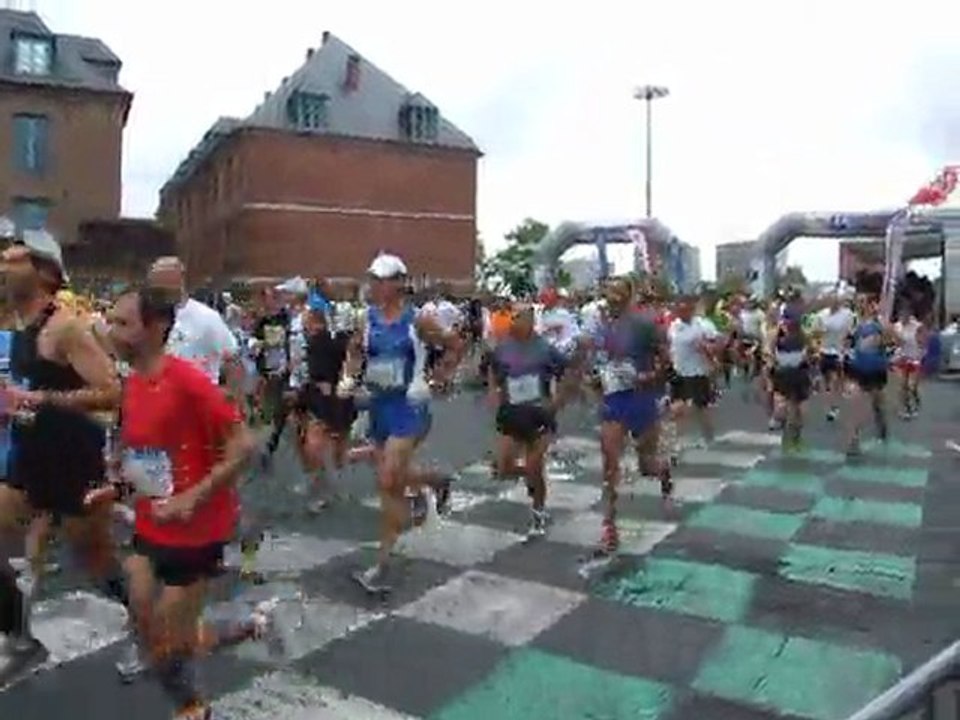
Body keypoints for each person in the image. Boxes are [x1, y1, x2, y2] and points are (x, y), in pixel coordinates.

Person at [104, 286, 258, 720]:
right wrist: (119, 473)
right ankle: (239, 628)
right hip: (151, 521)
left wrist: (194, 496)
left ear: (156, 329)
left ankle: (194, 708)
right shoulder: (133, 380)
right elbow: (149, 446)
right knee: (145, 619)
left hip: (197, 528)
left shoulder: (188, 380)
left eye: (122, 323)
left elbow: (244, 445)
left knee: (166, 644)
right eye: (111, 321)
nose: (109, 330)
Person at [0, 232, 125, 676]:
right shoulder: (19, 330)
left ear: (46, 273)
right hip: (27, 459)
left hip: (73, 463)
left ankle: (149, 615)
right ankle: (21, 640)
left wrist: (43, 401)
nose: (2, 265)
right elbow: (23, 393)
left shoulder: (66, 327)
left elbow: (112, 391)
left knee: (95, 561)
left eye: (13, 260)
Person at [337, 254, 460, 593]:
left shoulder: (418, 320)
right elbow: (355, 352)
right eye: (373, 278)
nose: (375, 285)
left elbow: (454, 345)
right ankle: (436, 480)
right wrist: (349, 377)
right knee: (389, 481)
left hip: (409, 406)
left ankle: (383, 564)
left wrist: (439, 378)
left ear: (399, 283)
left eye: (382, 279)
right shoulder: (367, 319)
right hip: (379, 406)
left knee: (389, 480)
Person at [488, 304, 571, 539]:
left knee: (535, 465)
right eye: (513, 318)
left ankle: (539, 511)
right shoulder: (502, 348)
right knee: (503, 469)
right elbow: (493, 373)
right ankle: (531, 478)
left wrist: (557, 401)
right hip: (511, 413)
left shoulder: (545, 349)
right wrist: (494, 395)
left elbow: (566, 373)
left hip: (539, 415)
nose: (514, 323)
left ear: (531, 321)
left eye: (520, 318)